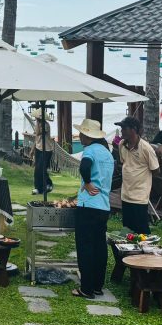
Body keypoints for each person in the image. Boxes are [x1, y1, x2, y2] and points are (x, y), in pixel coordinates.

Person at [71, 118, 114, 300]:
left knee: (85, 246)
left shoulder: (90, 150)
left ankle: (86, 288)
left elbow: (85, 166)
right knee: (99, 246)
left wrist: (87, 183)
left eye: (81, 133)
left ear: (88, 136)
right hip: (103, 206)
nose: (79, 136)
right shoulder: (108, 154)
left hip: (88, 205)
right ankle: (97, 285)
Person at [117, 117, 159, 234]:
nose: (121, 131)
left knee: (142, 231)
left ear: (134, 129)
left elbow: (156, 170)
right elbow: (124, 162)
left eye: (124, 128)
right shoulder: (121, 144)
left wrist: (141, 178)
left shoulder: (146, 148)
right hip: (125, 194)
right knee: (127, 229)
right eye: (121, 128)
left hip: (140, 195)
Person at [31, 111, 54, 196]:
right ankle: (38, 188)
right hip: (38, 148)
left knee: (41, 169)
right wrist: (32, 150)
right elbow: (37, 138)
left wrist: (37, 123)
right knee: (37, 169)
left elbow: (38, 133)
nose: (36, 119)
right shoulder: (38, 125)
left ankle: (48, 184)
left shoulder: (46, 125)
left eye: (37, 117)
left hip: (46, 150)